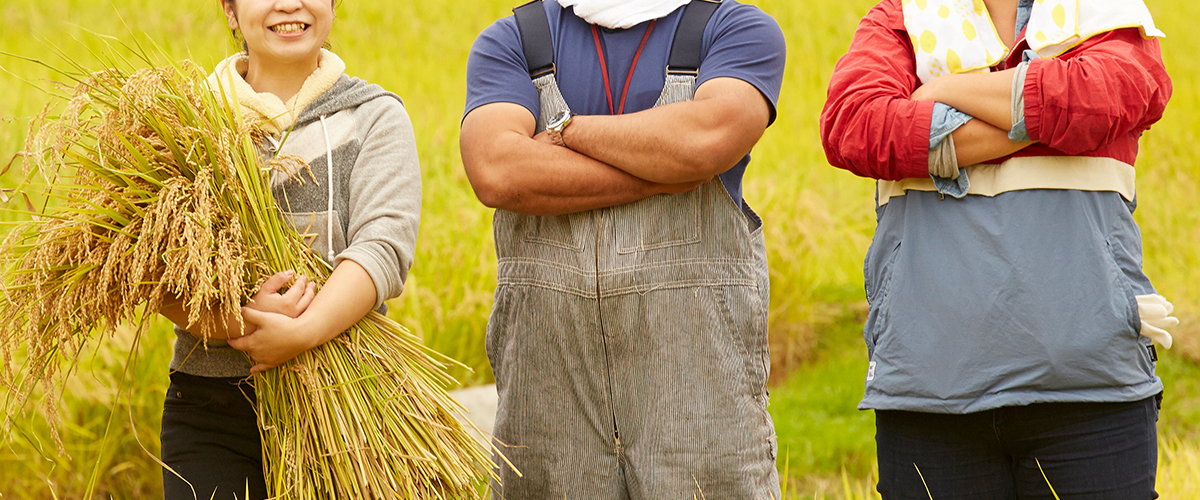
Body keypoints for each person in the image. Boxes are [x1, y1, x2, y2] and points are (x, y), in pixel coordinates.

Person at [821, 0, 1176, 498]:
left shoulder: (1104, 9)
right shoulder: (901, 18)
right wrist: (1042, 119)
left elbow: (1114, 93)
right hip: (931, 389)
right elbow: (854, 125)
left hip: (1090, 390)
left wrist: (944, 92)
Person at [460, 0, 786, 497]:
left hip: (702, 416)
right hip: (546, 415)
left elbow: (705, 139)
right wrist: (663, 169)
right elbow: (497, 169)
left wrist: (565, 131)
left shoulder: (735, 28)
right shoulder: (514, 39)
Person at [156, 0, 421, 497]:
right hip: (211, 412)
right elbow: (149, 270)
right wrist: (233, 323)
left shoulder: (375, 116)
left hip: (351, 407)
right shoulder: (185, 126)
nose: (289, 4)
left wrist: (304, 330)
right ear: (230, 11)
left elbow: (382, 248)